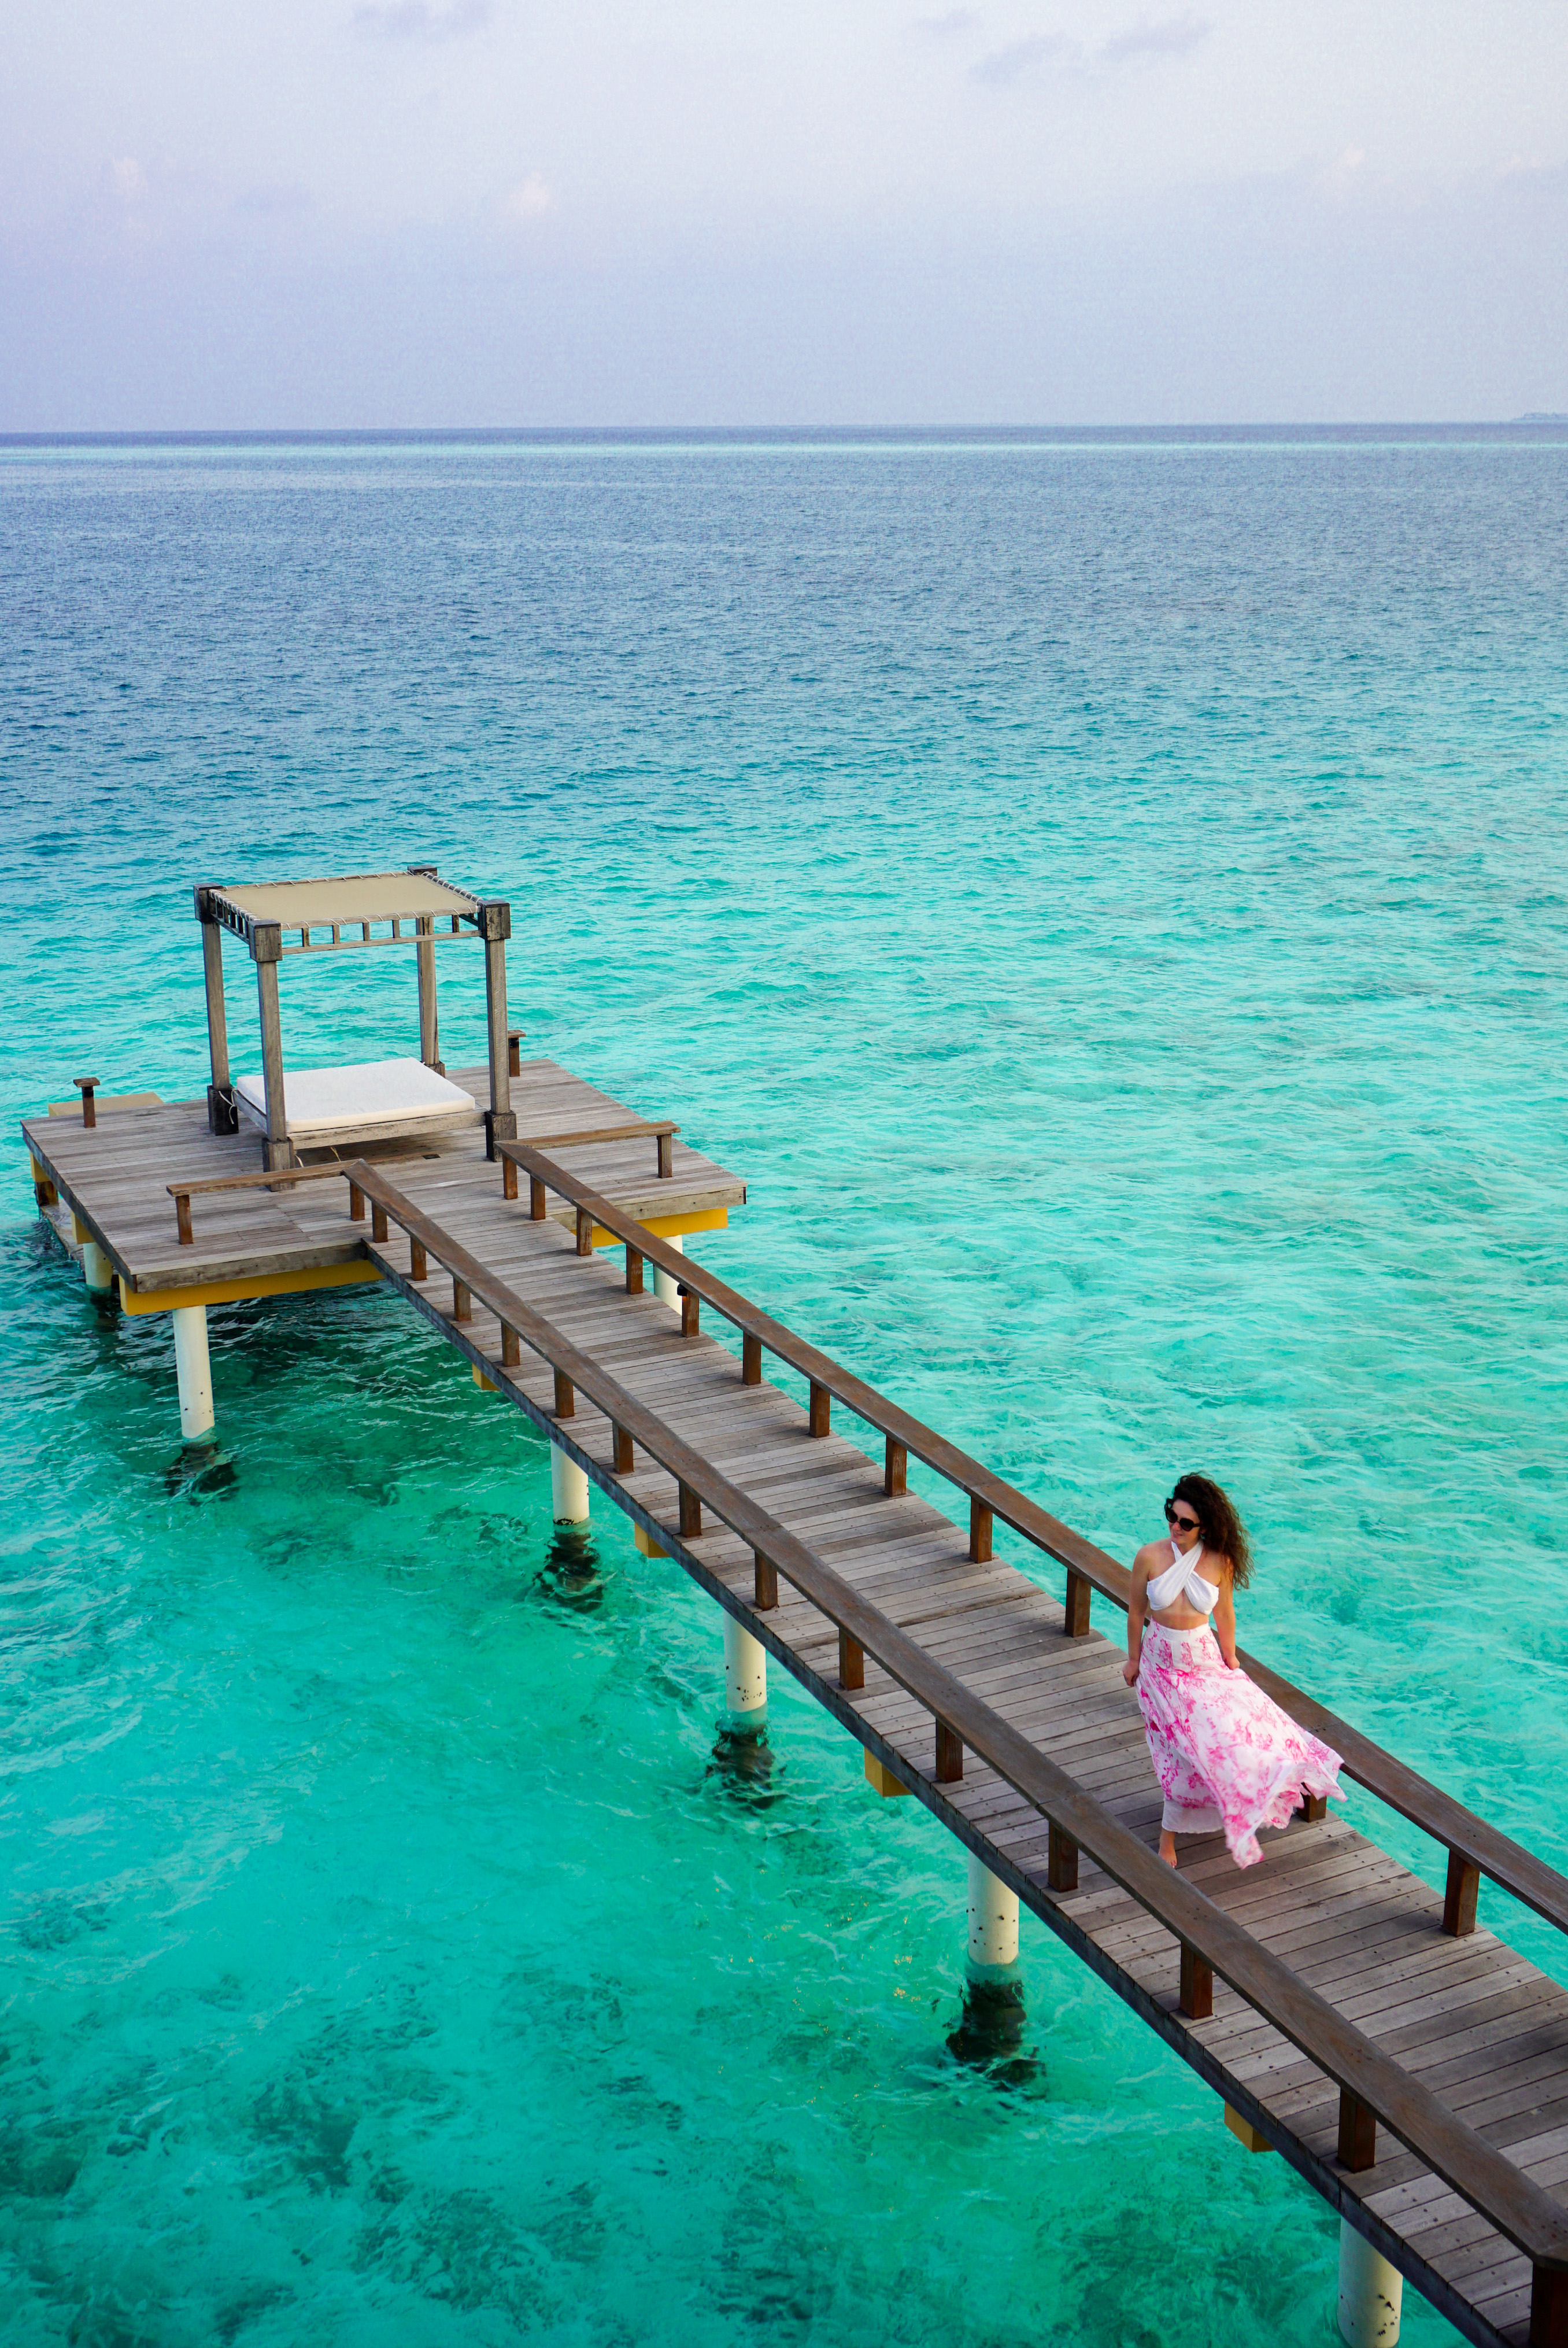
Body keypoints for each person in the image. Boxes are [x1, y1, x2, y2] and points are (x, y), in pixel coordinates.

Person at [1122, 1472, 1344, 1870]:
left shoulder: (1218, 1561)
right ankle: (1168, 1836)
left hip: (1203, 1663)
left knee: (1230, 1736)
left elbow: (1224, 1614)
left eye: (1185, 1522)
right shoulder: (1149, 1556)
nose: (1175, 1527)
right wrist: (1134, 1659)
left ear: (1204, 1526)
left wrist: (1231, 1659)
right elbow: (1137, 1612)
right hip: (1161, 1668)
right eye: (1171, 1516)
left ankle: (1255, 1788)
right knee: (1179, 1752)